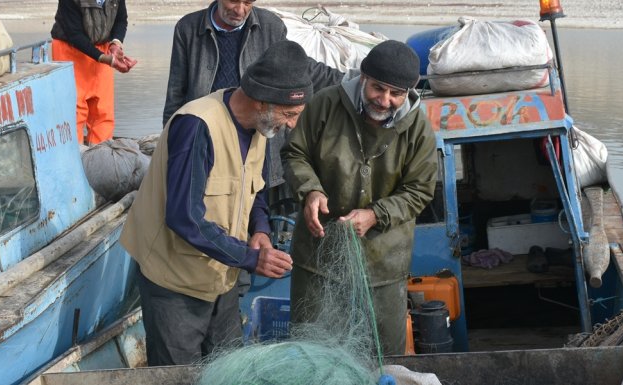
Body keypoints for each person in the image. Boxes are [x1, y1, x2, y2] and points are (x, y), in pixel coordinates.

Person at [120, 41, 311, 366]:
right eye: (289, 114)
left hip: (221, 278)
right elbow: (184, 217)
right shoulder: (197, 125)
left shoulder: (261, 127)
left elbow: (256, 191)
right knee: (178, 375)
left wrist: (260, 230)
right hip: (174, 284)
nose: (291, 124)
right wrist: (251, 258)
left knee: (228, 369)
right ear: (262, 100)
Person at [282, 40, 439, 355]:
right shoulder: (325, 104)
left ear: (408, 92)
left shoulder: (418, 127)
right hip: (318, 259)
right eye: (378, 88)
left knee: (385, 356)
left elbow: (420, 189)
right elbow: (294, 153)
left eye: (396, 93)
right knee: (312, 354)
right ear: (363, 77)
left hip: (384, 265)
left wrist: (376, 215)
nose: (384, 100)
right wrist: (310, 190)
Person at [162, 0, 343, 189]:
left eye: (248, 2)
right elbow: (176, 94)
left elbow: (300, 68)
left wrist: (351, 79)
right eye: (233, 1)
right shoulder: (188, 28)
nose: (240, 10)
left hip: (258, 138)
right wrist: (171, 149)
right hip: (207, 136)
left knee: (256, 198)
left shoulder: (270, 26)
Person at [51, 0, 137, 145]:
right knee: (74, 111)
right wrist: (104, 58)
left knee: (103, 110)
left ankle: (101, 153)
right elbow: (74, 34)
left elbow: (121, 20)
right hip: (70, 50)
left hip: (102, 50)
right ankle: (73, 154)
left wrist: (115, 44)